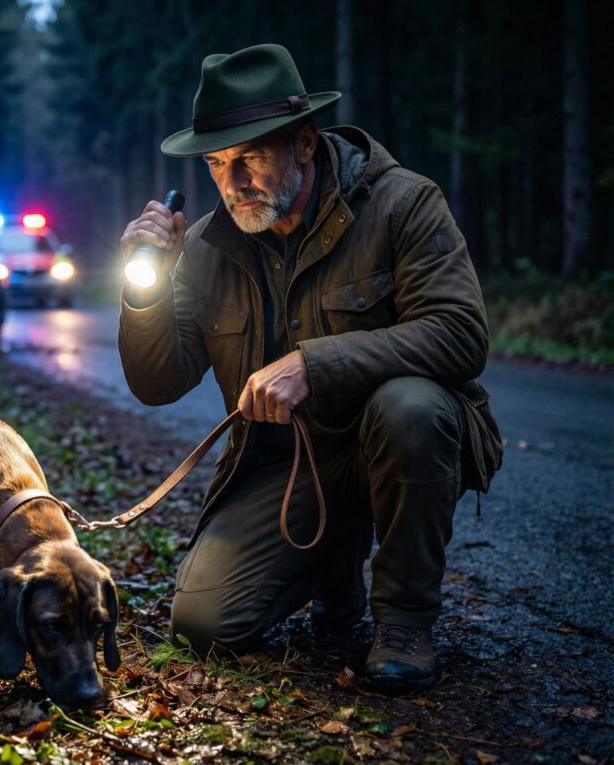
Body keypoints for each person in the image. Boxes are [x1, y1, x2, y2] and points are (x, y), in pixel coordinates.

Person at [118, 43, 502, 693]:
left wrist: (313, 363)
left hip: (391, 442)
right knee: (202, 619)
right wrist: (145, 291)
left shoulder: (403, 204)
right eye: (216, 164)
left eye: (248, 159)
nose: (232, 182)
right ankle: (333, 561)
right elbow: (159, 381)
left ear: (303, 141)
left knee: (410, 407)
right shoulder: (209, 248)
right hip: (287, 466)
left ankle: (405, 618)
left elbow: (460, 333)